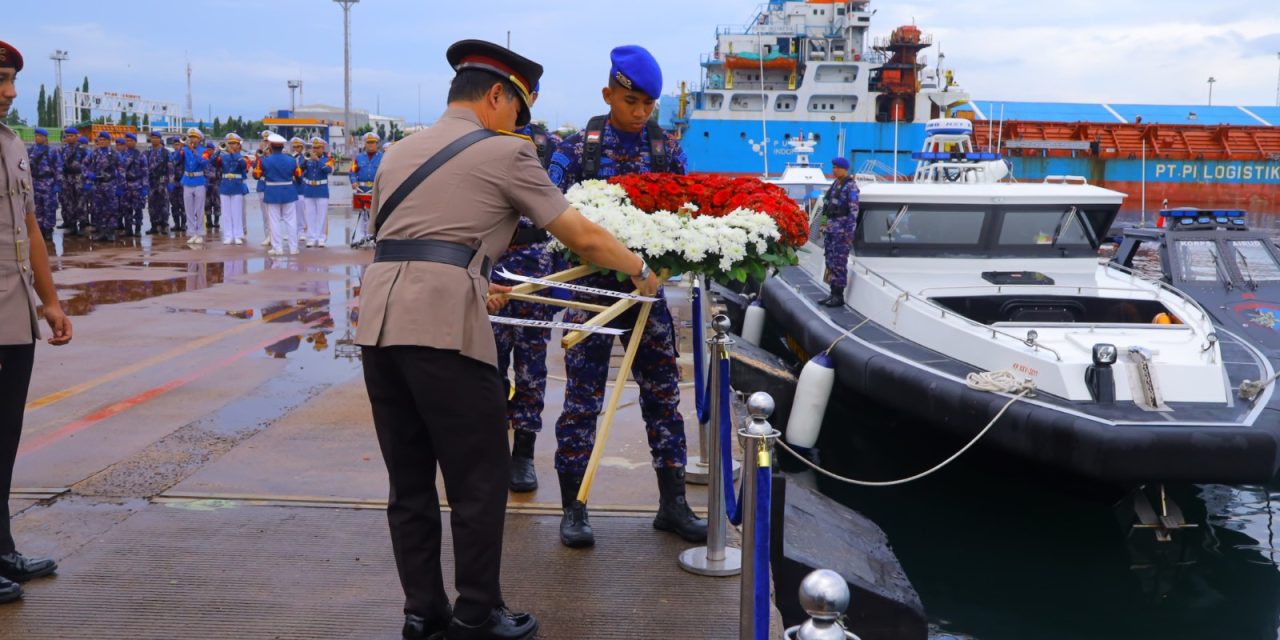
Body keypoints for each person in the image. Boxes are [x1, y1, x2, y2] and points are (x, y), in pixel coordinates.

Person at [356, 39, 658, 640]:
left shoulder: (397, 152)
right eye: (517, 110)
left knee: (410, 480)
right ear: (496, 95)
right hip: (444, 325)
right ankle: (476, 614)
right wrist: (640, 268)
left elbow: (416, 235)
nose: (520, 123)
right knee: (480, 475)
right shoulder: (507, 153)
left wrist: (481, 278)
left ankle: (423, 614)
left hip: (380, 324)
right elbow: (582, 236)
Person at [544, 45, 706, 548]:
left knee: (663, 395)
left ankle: (673, 503)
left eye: (648, 104)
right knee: (582, 400)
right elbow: (549, 217)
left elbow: (686, 219)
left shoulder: (667, 150)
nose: (640, 112)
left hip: (647, 292)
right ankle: (575, 505)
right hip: (592, 293)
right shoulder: (576, 150)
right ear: (608, 93)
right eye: (631, 101)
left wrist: (664, 266)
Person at [0, 39, 73, 605]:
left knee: (5, 438)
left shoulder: (11, 144)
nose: (10, 92)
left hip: (14, 313)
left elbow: (30, 228)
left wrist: (49, 302)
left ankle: (1, 550)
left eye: (12, 81)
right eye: (1, 81)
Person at [492, 81, 561, 493]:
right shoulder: (483, 141)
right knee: (489, 363)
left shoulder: (548, 145)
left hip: (535, 269)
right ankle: (493, 448)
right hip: (494, 268)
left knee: (532, 367)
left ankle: (524, 454)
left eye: (529, 94)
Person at [817, 156, 858, 307]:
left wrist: (848, 234)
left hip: (841, 232)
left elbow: (853, 212)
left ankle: (838, 296)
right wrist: (822, 224)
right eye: (833, 167)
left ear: (844, 169)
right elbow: (826, 207)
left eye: (836, 167)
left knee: (839, 263)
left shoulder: (850, 186)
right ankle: (832, 292)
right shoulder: (835, 184)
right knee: (830, 260)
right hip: (830, 230)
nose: (834, 170)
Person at [254, 134, 301, 256]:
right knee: (291, 221)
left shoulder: (265, 161)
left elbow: (256, 175)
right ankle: (293, 248)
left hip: (272, 192)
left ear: (270, 146)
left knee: (274, 221)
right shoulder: (291, 160)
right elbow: (299, 175)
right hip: (289, 191)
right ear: (282, 146)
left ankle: (277, 248)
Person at [175, 128, 210, 244]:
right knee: (188, 208)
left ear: (200, 139)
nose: (192, 139)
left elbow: (204, 163)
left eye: (195, 137)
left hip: (199, 180)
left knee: (199, 209)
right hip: (187, 180)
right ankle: (191, 232)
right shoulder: (184, 150)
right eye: (190, 137)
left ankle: (199, 233)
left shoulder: (203, 150)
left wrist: (194, 152)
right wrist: (179, 149)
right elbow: (175, 160)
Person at [215, 133, 251, 245]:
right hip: (225, 185)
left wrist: (234, 154)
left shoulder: (242, 157)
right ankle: (228, 235)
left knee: (237, 212)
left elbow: (244, 166)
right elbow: (212, 163)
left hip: (237, 186)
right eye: (229, 143)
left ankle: (238, 235)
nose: (231, 146)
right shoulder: (223, 157)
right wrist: (217, 151)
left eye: (234, 143)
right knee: (226, 213)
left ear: (239, 145)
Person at [84, 132, 121, 242]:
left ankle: (110, 232)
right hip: (98, 185)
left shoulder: (115, 154)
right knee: (98, 209)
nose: (102, 142)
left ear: (109, 141)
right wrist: (88, 176)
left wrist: (120, 186)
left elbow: (121, 169)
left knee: (112, 209)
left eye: (104, 140)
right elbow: (84, 165)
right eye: (100, 140)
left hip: (111, 185)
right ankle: (101, 231)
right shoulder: (93, 154)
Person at [348, 131, 382, 248]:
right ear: (365, 144)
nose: (371, 145)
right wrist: (353, 182)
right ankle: (363, 236)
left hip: (375, 190)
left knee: (374, 214)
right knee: (363, 214)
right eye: (369, 143)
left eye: (373, 143)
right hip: (362, 189)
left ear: (377, 144)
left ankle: (373, 236)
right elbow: (352, 171)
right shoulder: (359, 158)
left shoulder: (382, 158)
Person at [299, 136, 333, 248]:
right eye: (314, 147)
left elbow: (328, 170)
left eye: (318, 148)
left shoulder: (327, 159)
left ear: (322, 149)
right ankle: (311, 238)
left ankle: (321, 237)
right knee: (309, 215)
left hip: (322, 189)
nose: (315, 150)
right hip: (309, 189)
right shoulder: (308, 158)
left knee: (321, 215)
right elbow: (300, 169)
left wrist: (318, 161)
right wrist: (305, 159)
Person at [25, 127, 58, 239]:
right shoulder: (31, 150)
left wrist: (57, 183)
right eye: (36, 136)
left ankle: (48, 229)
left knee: (49, 206)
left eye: (39, 136)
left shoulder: (51, 151)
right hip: (35, 181)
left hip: (48, 182)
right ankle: (39, 229)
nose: (37, 138)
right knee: (36, 207)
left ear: (45, 138)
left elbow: (58, 167)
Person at [120, 133, 148, 237]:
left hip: (137, 185)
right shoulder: (122, 155)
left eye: (131, 141)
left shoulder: (141, 155)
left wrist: (145, 187)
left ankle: (137, 229)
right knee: (126, 209)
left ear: (135, 142)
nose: (129, 142)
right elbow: (120, 171)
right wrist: (120, 185)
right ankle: (128, 229)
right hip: (126, 185)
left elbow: (145, 172)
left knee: (138, 208)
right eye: (127, 141)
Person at [58, 128, 85, 235]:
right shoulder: (62, 149)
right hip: (67, 178)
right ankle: (72, 225)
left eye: (71, 136)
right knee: (69, 203)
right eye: (67, 136)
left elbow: (88, 165)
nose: (69, 138)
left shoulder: (82, 149)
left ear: (76, 137)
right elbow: (58, 164)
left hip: (79, 178)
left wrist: (86, 179)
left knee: (80, 203)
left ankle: (82, 225)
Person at [145, 131, 171, 235]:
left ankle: (164, 225)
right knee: (152, 204)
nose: (154, 140)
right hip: (151, 181)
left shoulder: (166, 152)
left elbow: (171, 168)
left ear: (160, 139)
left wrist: (171, 182)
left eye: (156, 138)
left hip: (162, 181)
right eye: (153, 138)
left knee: (164, 204)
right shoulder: (147, 152)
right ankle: (154, 225)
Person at [167, 136, 187, 234]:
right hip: (174, 182)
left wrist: (183, 150)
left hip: (183, 182)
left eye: (179, 144)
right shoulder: (171, 155)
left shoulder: (184, 154)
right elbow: (171, 163)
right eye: (175, 144)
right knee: (174, 205)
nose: (177, 146)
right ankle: (176, 224)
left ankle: (183, 224)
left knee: (183, 204)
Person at [203, 140, 221, 230]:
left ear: (213, 150)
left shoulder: (217, 158)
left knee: (217, 203)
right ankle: (209, 221)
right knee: (207, 203)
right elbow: (209, 161)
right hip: (206, 184)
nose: (209, 151)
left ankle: (216, 221)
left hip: (216, 183)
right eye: (208, 149)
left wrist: (219, 152)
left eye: (211, 150)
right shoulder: (204, 158)